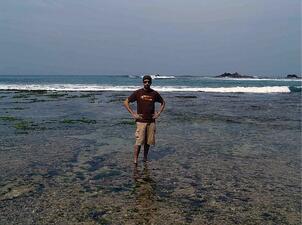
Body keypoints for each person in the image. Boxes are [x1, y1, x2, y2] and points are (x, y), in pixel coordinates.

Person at [124, 75, 165, 164]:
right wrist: (133, 114)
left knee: (148, 142)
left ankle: (145, 158)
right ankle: (135, 160)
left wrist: (158, 113)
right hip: (141, 121)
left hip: (151, 121)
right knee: (139, 141)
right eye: (145, 82)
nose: (147, 83)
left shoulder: (154, 93)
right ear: (143, 82)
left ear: (151, 83)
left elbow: (163, 102)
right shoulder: (138, 93)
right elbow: (126, 102)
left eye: (148, 82)